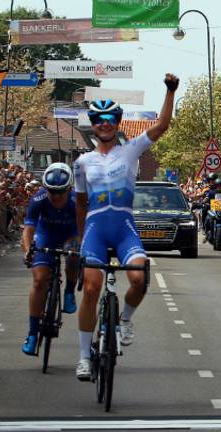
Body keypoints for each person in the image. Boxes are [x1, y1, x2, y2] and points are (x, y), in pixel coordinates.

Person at [73, 74, 179, 380]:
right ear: (93, 124)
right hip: (95, 230)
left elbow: (161, 126)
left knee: (139, 278)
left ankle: (125, 319)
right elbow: (80, 204)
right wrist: (81, 239)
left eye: (110, 119)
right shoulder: (82, 162)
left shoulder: (130, 150)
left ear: (118, 122)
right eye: (99, 119)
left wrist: (170, 92)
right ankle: (83, 357)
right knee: (91, 290)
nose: (104, 124)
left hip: (124, 228)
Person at [20, 163, 79, 356]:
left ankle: (69, 290)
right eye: (52, 191)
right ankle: (32, 333)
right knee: (39, 281)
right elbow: (28, 231)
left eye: (61, 192)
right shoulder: (38, 199)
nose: (56, 196)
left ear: (69, 188)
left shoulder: (78, 200)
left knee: (72, 257)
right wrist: (28, 251)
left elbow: (86, 229)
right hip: (46, 235)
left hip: (71, 234)